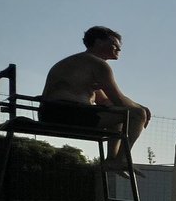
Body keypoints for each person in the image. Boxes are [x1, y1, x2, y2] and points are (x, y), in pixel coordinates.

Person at [39, 26, 152, 172]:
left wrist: (135, 106)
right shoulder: (97, 64)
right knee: (137, 114)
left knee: (117, 112)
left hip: (51, 113)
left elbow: (106, 101)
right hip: (67, 113)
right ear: (98, 42)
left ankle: (112, 159)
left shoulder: (80, 63)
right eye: (115, 45)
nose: (119, 49)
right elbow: (118, 99)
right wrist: (142, 110)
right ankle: (120, 160)